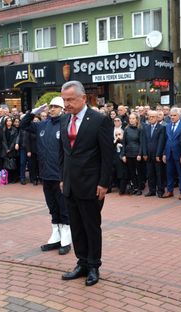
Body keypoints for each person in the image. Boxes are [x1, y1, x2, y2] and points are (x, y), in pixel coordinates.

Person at [59, 81, 114, 287]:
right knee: (76, 227)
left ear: (83, 98)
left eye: (70, 100)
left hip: (92, 185)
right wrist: (63, 178)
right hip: (70, 184)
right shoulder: (65, 120)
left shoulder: (100, 120)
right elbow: (63, 152)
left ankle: (93, 266)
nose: (67, 104)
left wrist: (104, 183)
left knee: (91, 226)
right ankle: (81, 263)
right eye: (64, 100)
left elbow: (107, 156)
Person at [21, 97, 72, 255]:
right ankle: (55, 237)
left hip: (60, 175)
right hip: (46, 174)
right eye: (51, 107)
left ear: (62, 109)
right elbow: (24, 125)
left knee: (63, 208)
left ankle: (66, 239)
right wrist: (32, 113)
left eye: (56, 107)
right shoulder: (42, 124)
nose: (52, 109)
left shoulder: (66, 124)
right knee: (52, 207)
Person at [163, 107, 181, 199]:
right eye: (171, 115)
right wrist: (164, 153)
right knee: (169, 173)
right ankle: (170, 191)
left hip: (179, 153)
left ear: (179, 116)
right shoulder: (168, 125)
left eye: (174, 115)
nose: (172, 117)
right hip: (169, 153)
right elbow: (166, 140)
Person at [143, 110, 166, 197]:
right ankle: (151, 190)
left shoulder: (161, 128)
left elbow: (161, 142)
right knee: (150, 173)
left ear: (157, 118)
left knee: (159, 173)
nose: (151, 118)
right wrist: (144, 153)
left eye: (153, 117)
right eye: (150, 117)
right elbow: (144, 141)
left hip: (157, 155)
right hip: (148, 155)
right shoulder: (146, 127)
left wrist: (158, 154)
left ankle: (160, 191)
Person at [122, 112, 146, 195]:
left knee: (139, 172)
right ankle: (135, 187)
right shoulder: (126, 129)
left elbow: (142, 143)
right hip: (128, 153)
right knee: (131, 172)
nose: (131, 120)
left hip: (137, 154)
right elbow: (124, 143)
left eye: (133, 118)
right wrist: (123, 155)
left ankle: (139, 188)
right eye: (130, 118)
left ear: (137, 119)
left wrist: (140, 154)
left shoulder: (140, 129)